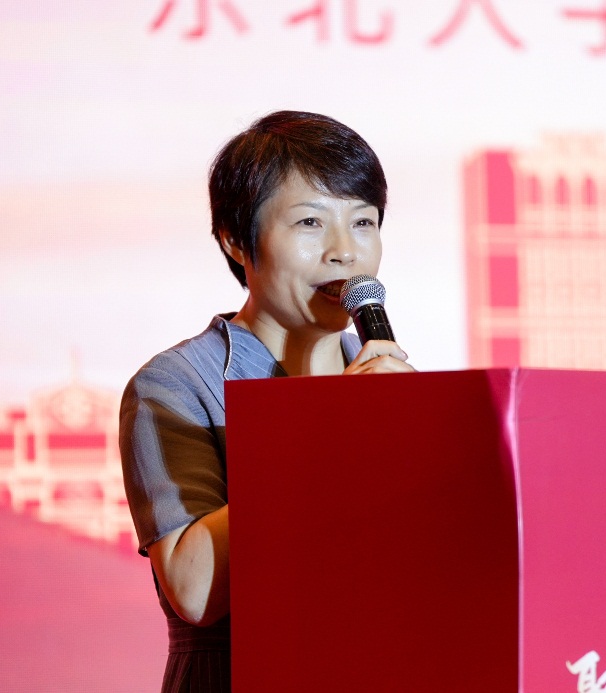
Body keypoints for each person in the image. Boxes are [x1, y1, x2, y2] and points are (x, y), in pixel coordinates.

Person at [119, 110, 414, 692]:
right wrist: (335, 431)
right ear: (236, 239)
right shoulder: (177, 384)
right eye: (310, 222)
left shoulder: (391, 381)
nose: (344, 252)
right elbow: (196, 590)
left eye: (363, 222)